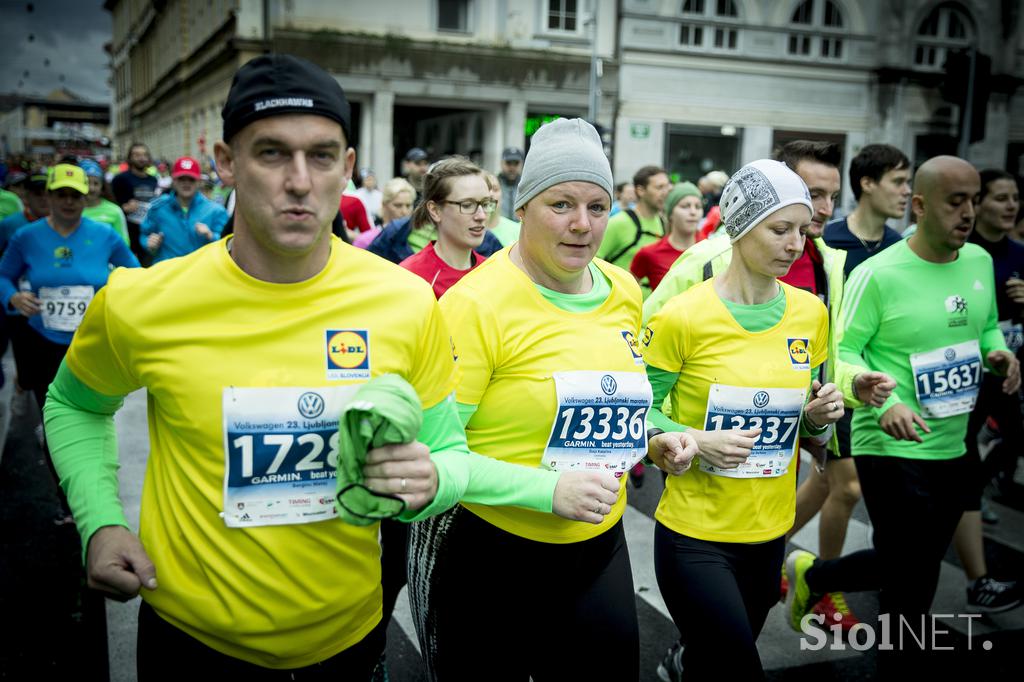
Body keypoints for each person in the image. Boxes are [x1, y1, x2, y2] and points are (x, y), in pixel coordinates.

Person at [43, 54, 612, 679]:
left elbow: (447, 453)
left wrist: (424, 484)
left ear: (345, 168)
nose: (297, 180)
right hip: (193, 642)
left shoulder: (402, 300)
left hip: (348, 639)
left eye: (320, 157)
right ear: (226, 163)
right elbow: (73, 403)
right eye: (270, 153)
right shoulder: (142, 300)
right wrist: (100, 523)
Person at [408, 118, 697, 681]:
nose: (582, 225)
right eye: (561, 204)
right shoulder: (474, 306)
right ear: (522, 208)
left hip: (597, 542)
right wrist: (548, 490)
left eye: (597, 206)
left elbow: (613, 408)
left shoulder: (622, 291)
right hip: (489, 550)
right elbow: (431, 457)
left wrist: (655, 440)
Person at [643, 142, 897, 676]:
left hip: (771, 537)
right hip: (695, 537)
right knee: (737, 665)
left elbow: (801, 419)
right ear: (739, 227)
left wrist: (816, 416)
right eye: (778, 229)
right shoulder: (683, 316)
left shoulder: (810, 314)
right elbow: (635, 410)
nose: (794, 244)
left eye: (801, 231)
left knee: (712, 664)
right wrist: (689, 436)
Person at [786, 156, 1021, 680]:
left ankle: (816, 575)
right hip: (885, 440)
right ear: (919, 206)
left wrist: (1000, 353)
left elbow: (984, 332)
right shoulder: (878, 273)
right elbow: (840, 354)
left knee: (914, 566)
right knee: (910, 568)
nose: (968, 212)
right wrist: (886, 402)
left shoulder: (978, 262)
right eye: (954, 201)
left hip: (952, 440)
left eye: (974, 199)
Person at [0, 162, 138, 523]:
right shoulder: (26, 237)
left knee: (93, 416)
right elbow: (3, 274)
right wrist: (13, 297)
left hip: (90, 342)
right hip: (41, 342)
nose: (67, 202)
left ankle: (94, 489)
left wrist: (114, 295)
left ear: (87, 197)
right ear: (48, 196)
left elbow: (134, 273)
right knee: (55, 421)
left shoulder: (104, 235)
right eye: (60, 194)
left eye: (75, 195)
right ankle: (69, 499)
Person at [952, 168, 1023, 612]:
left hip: (1005, 371)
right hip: (959, 379)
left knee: (1013, 440)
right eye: (999, 198)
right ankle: (978, 578)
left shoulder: (1019, 253)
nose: (1010, 205)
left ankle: (967, 493)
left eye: (1014, 197)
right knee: (962, 462)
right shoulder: (964, 254)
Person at [399, 158, 490, 299]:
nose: (481, 215)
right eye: (467, 205)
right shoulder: (410, 277)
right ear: (435, 210)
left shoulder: (492, 272)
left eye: (486, 204)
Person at [823, 144, 910, 277]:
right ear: (867, 184)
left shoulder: (899, 246)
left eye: (907, 183)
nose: (907, 191)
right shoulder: (825, 239)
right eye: (898, 182)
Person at [140, 156, 229, 264]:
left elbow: (228, 243)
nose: (186, 183)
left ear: (199, 182)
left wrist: (211, 236)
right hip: (168, 274)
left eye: (191, 179)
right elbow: (144, 234)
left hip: (201, 274)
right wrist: (148, 243)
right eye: (181, 179)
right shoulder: (158, 208)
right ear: (173, 180)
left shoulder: (216, 211)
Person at [629, 181, 703, 293]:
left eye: (698, 207)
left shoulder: (712, 249)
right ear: (670, 213)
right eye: (685, 206)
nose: (693, 212)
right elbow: (628, 291)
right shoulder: (649, 253)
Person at [597, 165, 670, 270]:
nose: (666, 192)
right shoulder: (618, 222)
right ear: (640, 190)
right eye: (659, 187)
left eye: (667, 187)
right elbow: (593, 263)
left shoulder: (664, 223)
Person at [111, 142, 159, 264]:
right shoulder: (120, 179)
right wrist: (123, 208)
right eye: (137, 155)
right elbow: (111, 204)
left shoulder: (153, 180)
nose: (141, 158)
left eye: (144, 155)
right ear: (130, 158)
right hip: (128, 233)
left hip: (147, 233)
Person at [352, 177, 415, 249]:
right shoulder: (365, 240)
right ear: (384, 205)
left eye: (408, 205)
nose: (404, 211)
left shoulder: (418, 239)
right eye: (398, 205)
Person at [80, 159, 129, 244]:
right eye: (87, 183)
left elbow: (123, 244)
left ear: (102, 186)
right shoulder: (70, 210)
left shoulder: (115, 211)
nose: (92, 188)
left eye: (96, 183)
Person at [483, 171, 521, 246]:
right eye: (486, 189)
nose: (490, 194)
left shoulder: (518, 230)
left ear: (502, 195)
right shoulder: (468, 231)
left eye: (495, 189)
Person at [497, 146, 523, 219]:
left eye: (516, 163)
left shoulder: (526, 186)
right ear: (502, 163)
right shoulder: (493, 185)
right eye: (508, 163)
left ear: (521, 164)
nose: (512, 167)